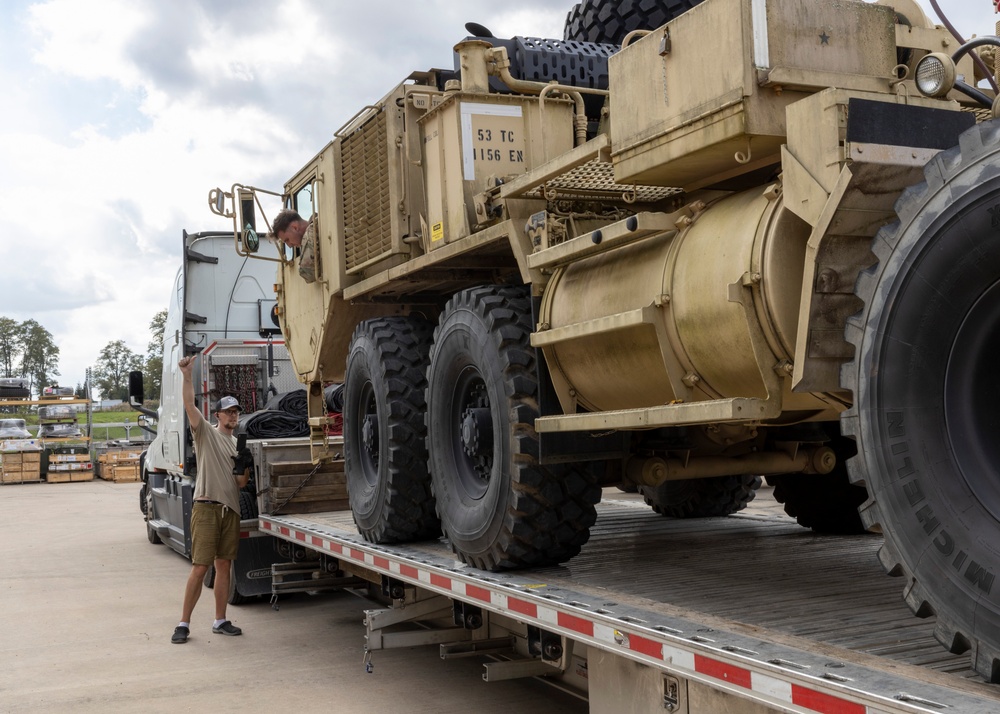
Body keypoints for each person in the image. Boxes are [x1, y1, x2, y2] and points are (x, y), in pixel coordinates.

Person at [171, 355, 251, 644]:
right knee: (200, 567)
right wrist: (187, 375)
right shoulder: (205, 432)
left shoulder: (236, 444)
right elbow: (190, 405)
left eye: (236, 412)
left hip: (230, 510)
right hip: (206, 507)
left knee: (224, 566)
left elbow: (240, 484)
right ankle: (183, 623)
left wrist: (245, 466)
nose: (233, 416)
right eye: (228, 412)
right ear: (217, 415)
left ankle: (220, 620)